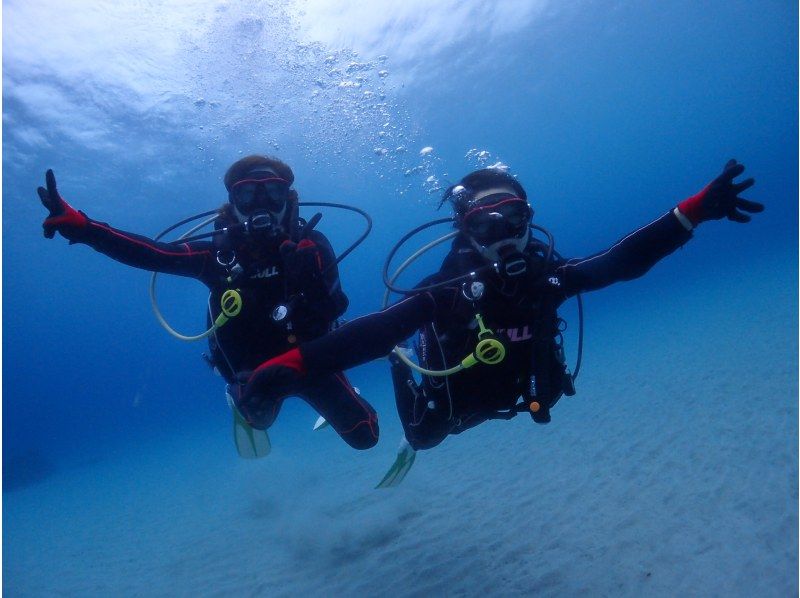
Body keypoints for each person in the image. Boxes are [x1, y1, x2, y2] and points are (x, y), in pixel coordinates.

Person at [237, 159, 761, 457]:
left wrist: (692, 212)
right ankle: (406, 362)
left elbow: (620, 262)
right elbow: (371, 333)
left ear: (529, 220)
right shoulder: (445, 291)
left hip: (526, 394)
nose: (504, 237)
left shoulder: (546, 277)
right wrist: (284, 367)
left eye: (513, 220)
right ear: (466, 233)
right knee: (421, 438)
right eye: (486, 226)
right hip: (452, 406)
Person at [37, 155, 379, 451]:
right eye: (247, 194)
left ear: (289, 199)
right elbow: (154, 254)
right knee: (259, 420)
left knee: (366, 435)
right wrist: (85, 229)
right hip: (255, 370)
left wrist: (309, 276)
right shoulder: (217, 255)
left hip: (311, 359)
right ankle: (237, 394)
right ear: (233, 204)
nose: (261, 204)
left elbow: (334, 308)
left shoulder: (311, 244)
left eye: (273, 192)